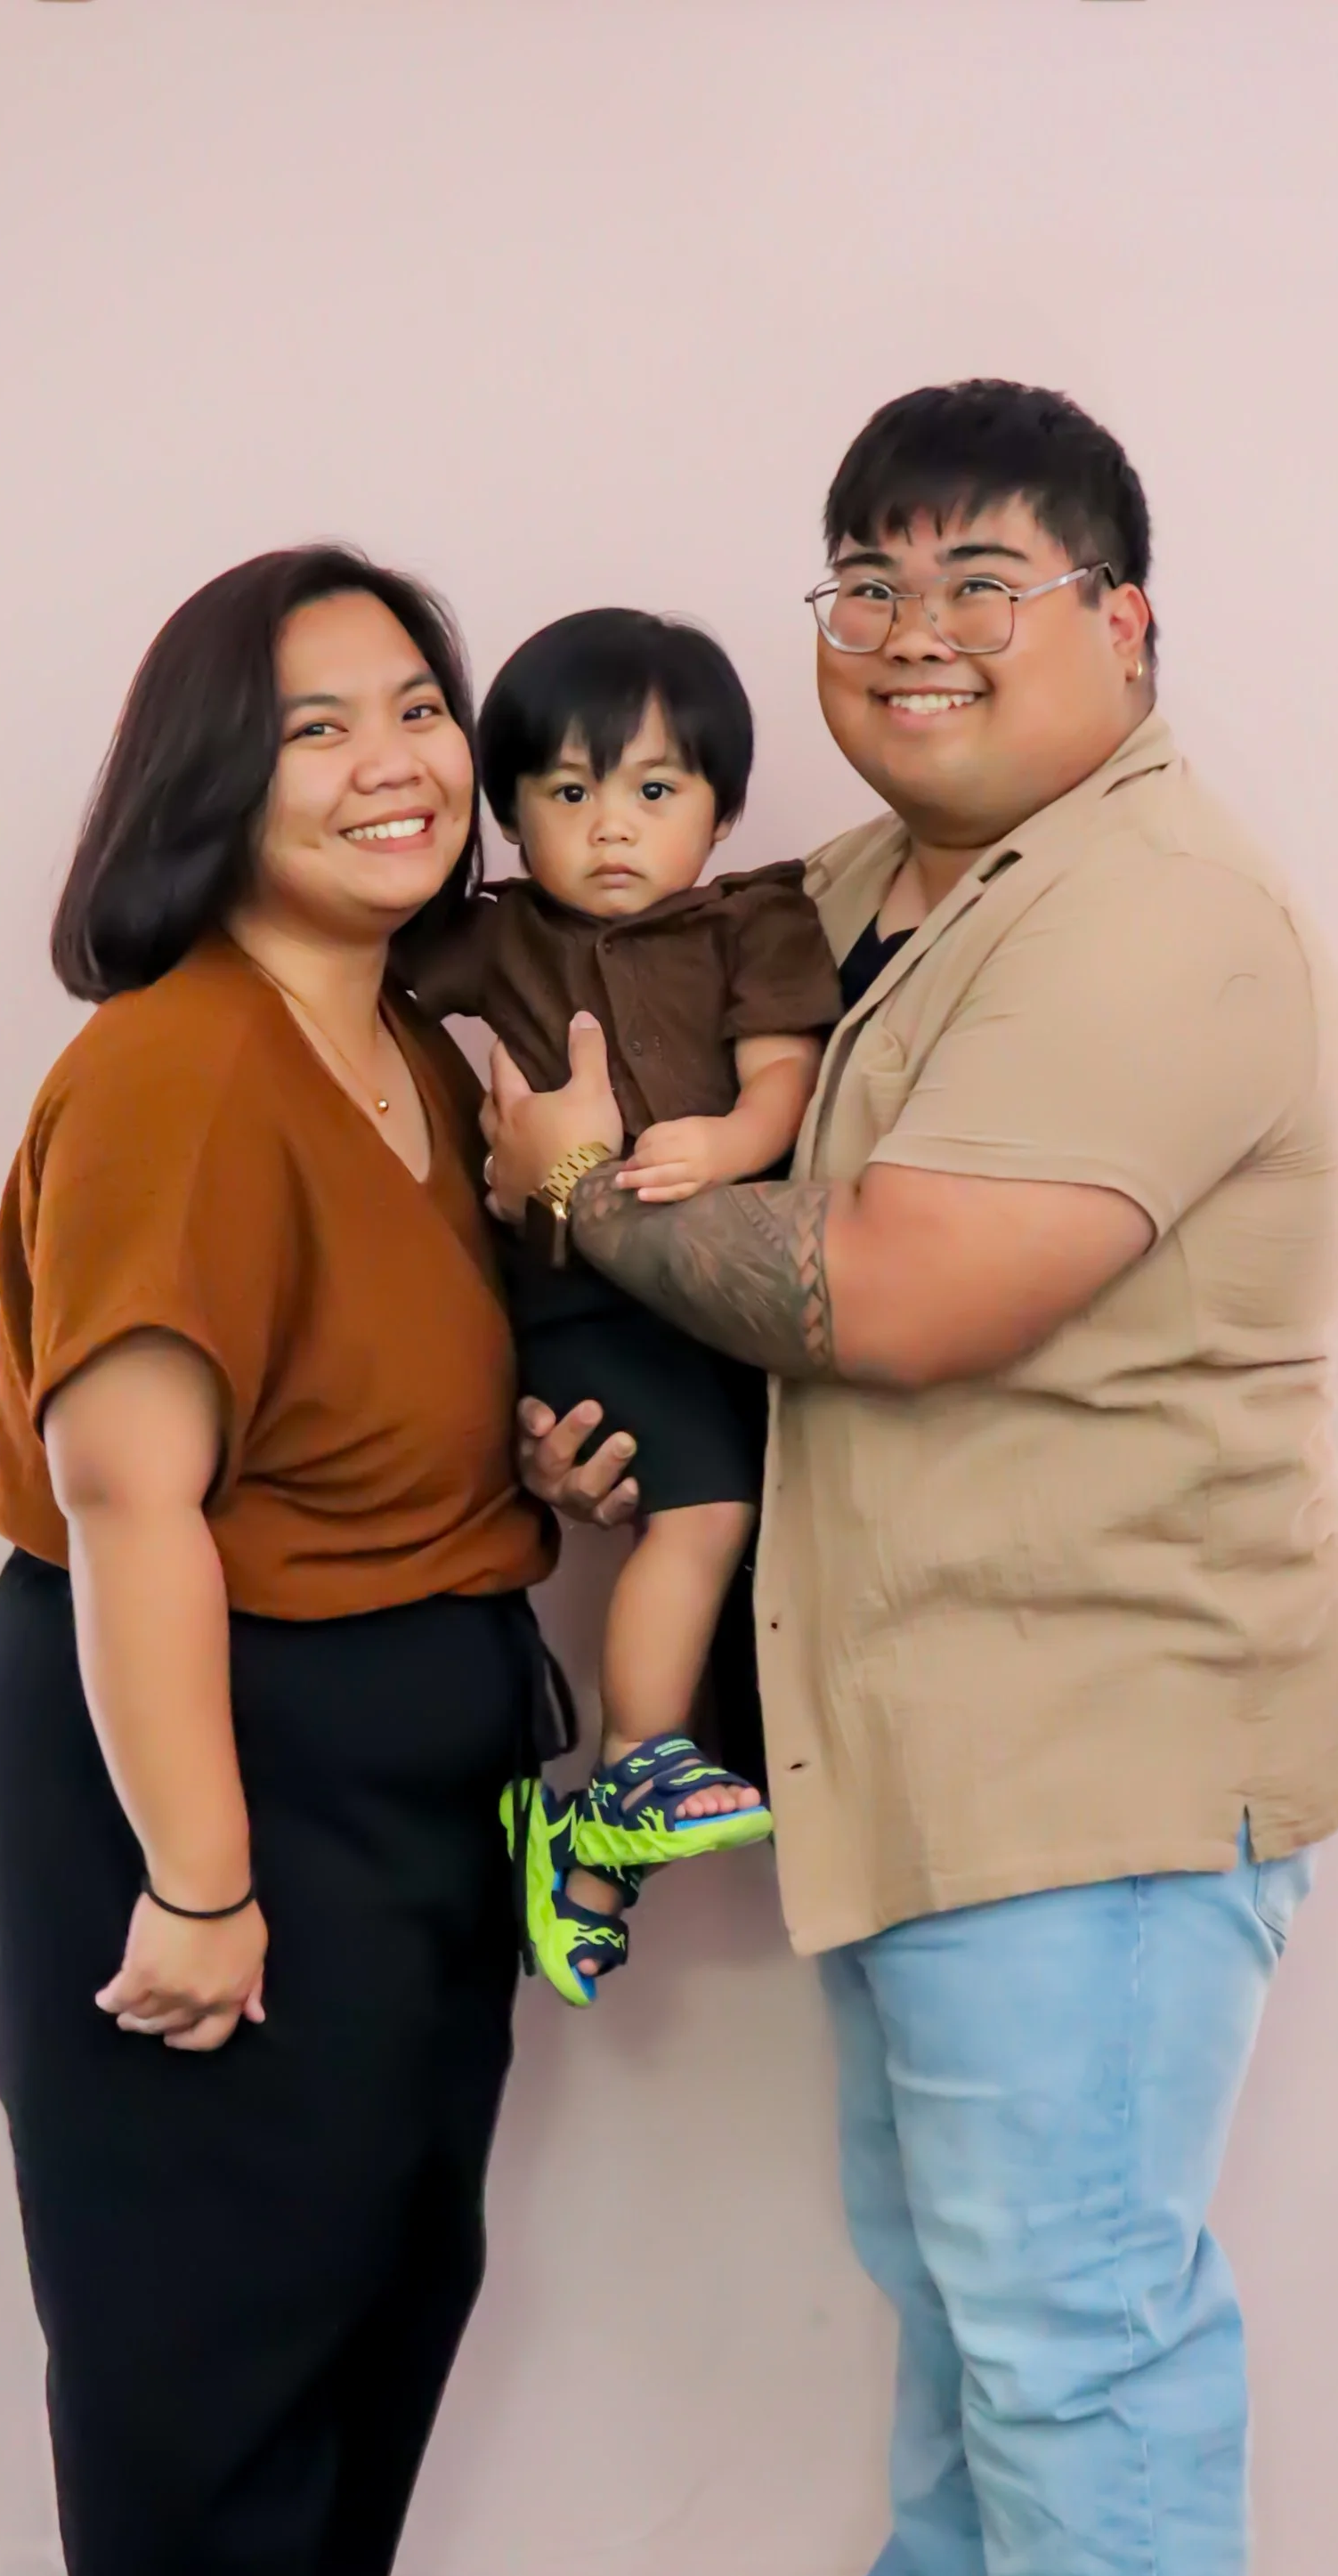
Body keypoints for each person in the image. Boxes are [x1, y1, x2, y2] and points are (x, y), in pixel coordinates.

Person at [490, 380, 1338, 2576]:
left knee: (1073, 2319)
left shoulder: (1162, 913)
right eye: (862, 576)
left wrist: (574, 1199)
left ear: (1124, 625)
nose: (907, 627)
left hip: (1099, 1736)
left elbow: (884, 1290)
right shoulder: (885, 884)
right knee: (952, 2261)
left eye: (979, 577)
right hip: (917, 1727)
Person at [0, 545, 562, 2576]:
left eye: (417, 705)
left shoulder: (416, 1054)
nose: (396, 761)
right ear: (210, 779)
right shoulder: (178, 1065)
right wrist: (200, 1874)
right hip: (197, 1745)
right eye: (318, 727)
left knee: (375, 2283)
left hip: (409, 1741)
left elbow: (366, 1403)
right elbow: (131, 1501)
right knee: (212, 2323)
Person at [407, 609, 839, 2003]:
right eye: (567, 792)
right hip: (580, 1298)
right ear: (509, 813)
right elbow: (365, 962)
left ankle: (589, 1867)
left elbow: (785, 1076)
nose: (611, 827)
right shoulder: (501, 939)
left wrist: (730, 1141)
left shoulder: (756, 919)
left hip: (716, 1295)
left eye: (655, 789)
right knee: (703, 1516)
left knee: (733, 1518)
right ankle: (638, 1763)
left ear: (720, 808)